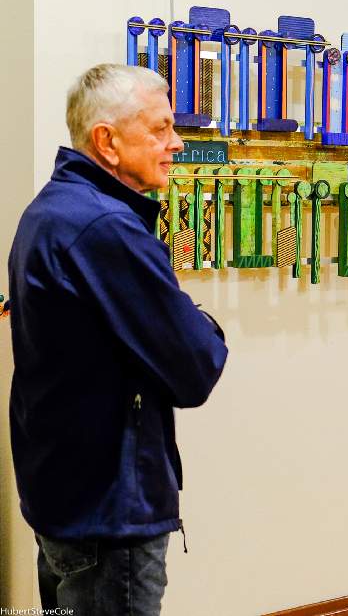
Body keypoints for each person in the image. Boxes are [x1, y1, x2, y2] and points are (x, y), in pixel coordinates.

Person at [8, 64, 228, 615]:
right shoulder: (104, 227)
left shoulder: (52, 209)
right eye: (159, 129)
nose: (176, 143)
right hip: (107, 514)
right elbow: (197, 366)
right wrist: (203, 322)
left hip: (64, 494)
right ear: (107, 141)